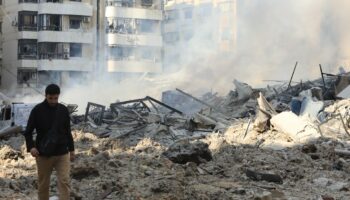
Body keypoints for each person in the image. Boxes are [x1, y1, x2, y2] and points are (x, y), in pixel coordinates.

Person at [24, 84, 75, 200]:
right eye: (50, 98)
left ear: (58, 96)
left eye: (55, 98)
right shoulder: (37, 110)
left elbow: (68, 131)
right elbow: (28, 132)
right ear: (46, 96)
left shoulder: (63, 110)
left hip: (62, 153)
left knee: (64, 181)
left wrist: (72, 150)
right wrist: (31, 147)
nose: (53, 101)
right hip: (43, 154)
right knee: (43, 184)